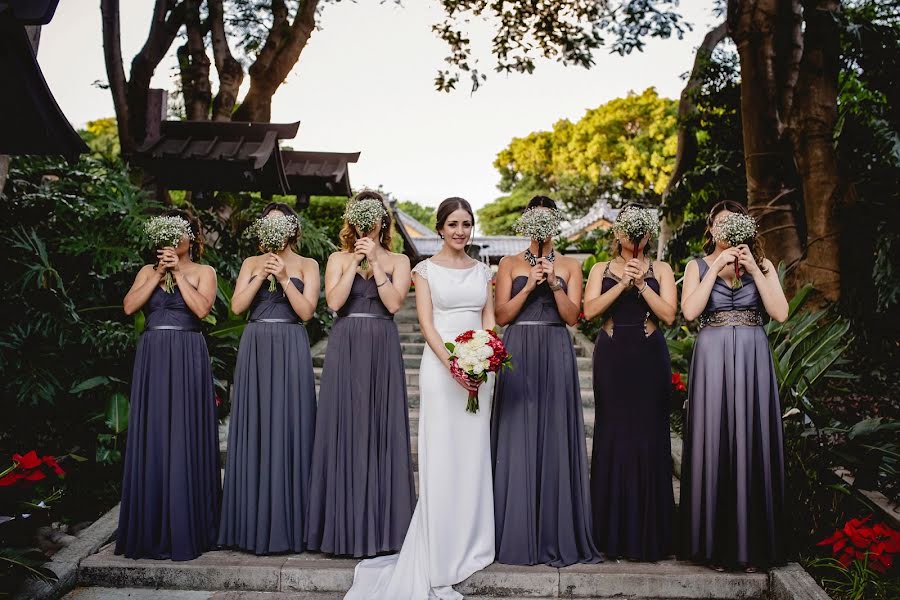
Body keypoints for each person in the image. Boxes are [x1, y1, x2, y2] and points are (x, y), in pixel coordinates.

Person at [344, 197, 495, 600]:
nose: (460, 231)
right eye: (453, 224)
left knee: (473, 453)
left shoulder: (485, 271)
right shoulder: (423, 270)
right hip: (442, 369)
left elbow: (490, 319)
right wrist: (454, 364)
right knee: (442, 452)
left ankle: (472, 538)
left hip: (480, 372)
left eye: (467, 224)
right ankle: (440, 545)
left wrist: (486, 356)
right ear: (440, 228)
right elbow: (426, 323)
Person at [679, 200, 788, 571]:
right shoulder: (696, 265)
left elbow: (780, 312)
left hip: (753, 354)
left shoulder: (765, 265)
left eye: (734, 223)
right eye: (721, 224)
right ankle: (714, 546)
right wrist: (716, 268)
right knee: (716, 439)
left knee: (752, 439)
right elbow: (690, 312)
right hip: (712, 356)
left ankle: (755, 546)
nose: (727, 229)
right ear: (711, 230)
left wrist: (755, 269)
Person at [306, 190, 415, 557]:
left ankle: (384, 527)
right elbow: (334, 303)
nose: (368, 223)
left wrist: (378, 264)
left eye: (375, 216)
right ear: (352, 220)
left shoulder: (399, 260)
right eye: (361, 215)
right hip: (346, 343)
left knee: (380, 429)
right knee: (345, 426)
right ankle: (341, 525)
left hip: (382, 344)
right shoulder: (338, 258)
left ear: (384, 221)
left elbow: (395, 303)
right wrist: (355, 262)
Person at [491, 196, 599, 566]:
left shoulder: (570, 265)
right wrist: (526, 286)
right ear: (526, 223)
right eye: (534, 219)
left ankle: (557, 530)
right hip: (519, 348)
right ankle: (516, 531)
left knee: (554, 434)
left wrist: (554, 283)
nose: (541, 226)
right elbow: (502, 315)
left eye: (547, 219)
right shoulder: (508, 263)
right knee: (517, 433)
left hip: (556, 349)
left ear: (555, 223)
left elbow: (573, 317)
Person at [117, 209, 220, 560]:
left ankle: (187, 525)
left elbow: (202, 310)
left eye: (182, 233)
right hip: (153, 356)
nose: (175, 240)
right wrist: (159, 272)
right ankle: (149, 528)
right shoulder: (148, 271)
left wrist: (178, 271)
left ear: (193, 237)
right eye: (169, 233)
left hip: (188, 353)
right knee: (155, 433)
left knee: (184, 433)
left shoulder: (205, 271)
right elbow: (130, 307)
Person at [218, 202, 320, 554]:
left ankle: (293, 523)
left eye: (281, 224)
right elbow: (236, 307)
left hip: (291, 343)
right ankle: (250, 523)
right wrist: (263, 273)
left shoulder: (308, 265)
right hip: (256, 344)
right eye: (268, 224)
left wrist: (283, 277)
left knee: (291, 426)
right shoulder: (250, 263)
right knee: (257, 426)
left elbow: (307, 312)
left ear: (292, 229)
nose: (274, 230)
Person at [583, 206, 678, 561]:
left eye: (637, 227)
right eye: (624, 227)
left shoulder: (663, 269)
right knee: (613, 434)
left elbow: (669, 314)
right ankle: (611, 534)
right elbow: (589, 311)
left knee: (650, 436)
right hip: (612, 357)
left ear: (648, 234)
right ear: (617, 233)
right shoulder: (599, 269)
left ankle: (650, 535)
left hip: (650, 357)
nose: (631, 234)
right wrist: (623, 281)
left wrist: (641, 283)